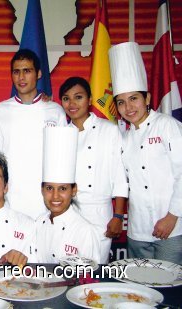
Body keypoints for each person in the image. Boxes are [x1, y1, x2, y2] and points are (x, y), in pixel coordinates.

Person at [109, 42, 182, 264]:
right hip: (137, 230)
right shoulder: (124, 136)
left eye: (134, 98)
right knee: (140, 288)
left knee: (170, 288)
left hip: (172, 226)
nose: (128, 107)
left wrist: (172, 217)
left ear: (147, 98)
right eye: (121, 102)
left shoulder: (167, 125)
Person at [0, 49, 67, 220]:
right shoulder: (1, 110)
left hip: (46, 198)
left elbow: (62, 159)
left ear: (38, 74)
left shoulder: (55, 111)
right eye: (16, 72)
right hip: (12, 197)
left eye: (27, 71)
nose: (21, 77)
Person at [59, 77, 128, 263]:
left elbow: (120, 176)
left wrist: (118, 216)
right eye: (66, 99)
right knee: (67, 268)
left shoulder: (109, 130)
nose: (72, 104)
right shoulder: (61, 134)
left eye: (78, 97)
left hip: (99, 214)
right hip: (68, 213)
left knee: (95, 269)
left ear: (89, 100)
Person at [36, 126, 101, 264]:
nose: (55, 196)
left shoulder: (85, 231)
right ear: (41, 190)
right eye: (49, 188)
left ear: (74, 190)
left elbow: (90, 279)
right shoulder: (38, 223)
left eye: (63, 189)